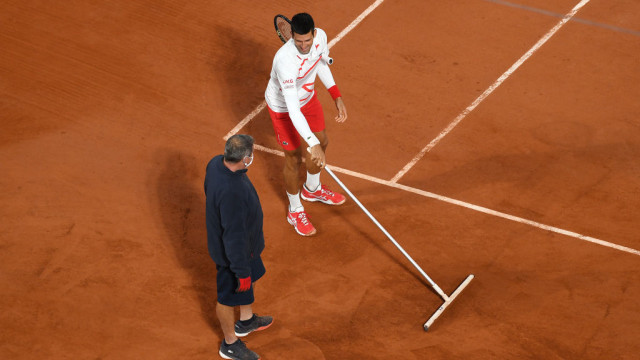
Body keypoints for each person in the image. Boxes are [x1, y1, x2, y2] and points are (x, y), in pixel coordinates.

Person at [265, 12, 348, 236]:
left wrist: (336, 95)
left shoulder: (321, 37)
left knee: (323, 142)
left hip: (308, 98)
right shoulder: (284, 61)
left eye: (308, 40)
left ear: (314, 33)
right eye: (299, 41)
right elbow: (292, 109)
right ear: (291, 36)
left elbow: (320, 63)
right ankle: (295, 209)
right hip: (283, 107)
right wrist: (310, 143)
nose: (304, 45)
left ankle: (312, 189)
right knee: (294, 155)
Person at [204, 134, 273, 360]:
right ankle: (230, 344)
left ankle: (246, 321)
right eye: (250, 155)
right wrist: (241, 271)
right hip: (234, 256)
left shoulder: (216, 163)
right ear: (244, 159)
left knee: (247, 281)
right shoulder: (232, 192)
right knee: (227, 296)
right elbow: (233, 237)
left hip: (247, 249)